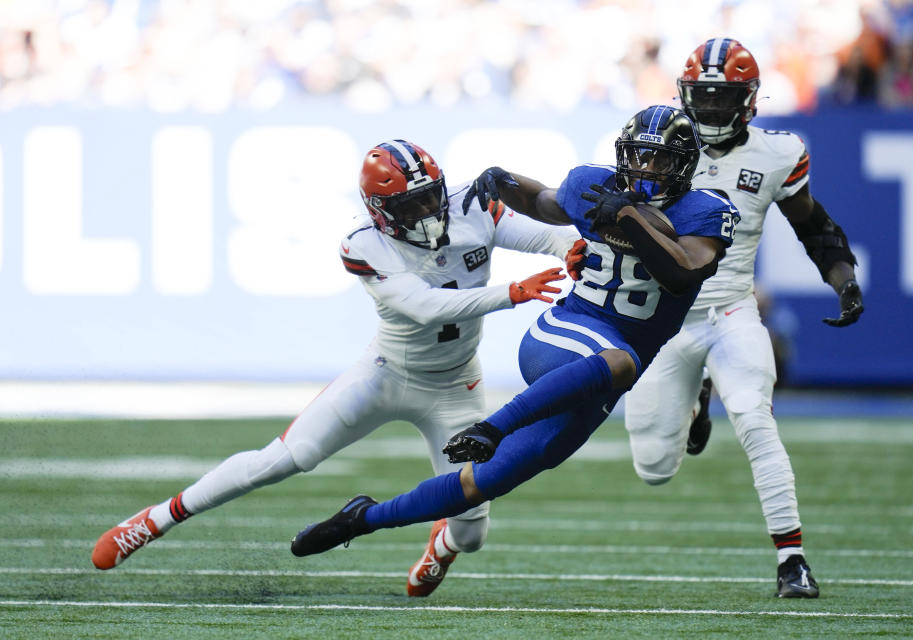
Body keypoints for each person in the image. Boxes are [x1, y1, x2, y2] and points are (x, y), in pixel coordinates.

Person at [91, 139, 582, 598]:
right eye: (410, 207)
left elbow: (545, 236)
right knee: (285, 459)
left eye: (430, 199)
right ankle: (155, 519)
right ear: (381, 212)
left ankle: (443, 544)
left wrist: (569, 250)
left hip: (457, 385)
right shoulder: (363, 243)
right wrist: (510, 293)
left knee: (471, 532)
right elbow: (424, 305)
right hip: (386, 374)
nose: (428, 213)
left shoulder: (471, 205)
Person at [287, 107, 741, 578]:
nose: (643, 170)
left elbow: (683, 272)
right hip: (564, 334)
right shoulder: (595, 183)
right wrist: (504, 182)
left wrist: (628, 217)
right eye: (636, 156)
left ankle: (362, 518)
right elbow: (544, 202)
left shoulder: (707, 210)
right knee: (620, 363)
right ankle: (492, 427)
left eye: (658, 161)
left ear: (683, 164)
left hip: (599, 369)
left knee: (482, 483)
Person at [616, 39, 864, 599]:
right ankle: (698, 397)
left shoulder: (777, 153)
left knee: (755, 416)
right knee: (654, 467)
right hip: (665, 322)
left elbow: (813, 224)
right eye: (699, 97)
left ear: (748, 100)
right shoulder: (660, 144)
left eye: (719, 98)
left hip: (731, 311)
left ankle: (792, 559)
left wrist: (843, 278)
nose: (706, 110)